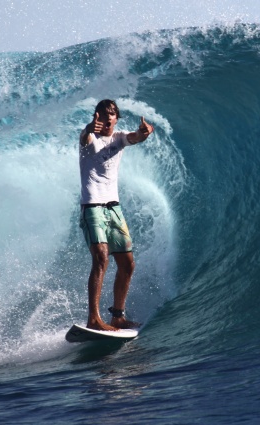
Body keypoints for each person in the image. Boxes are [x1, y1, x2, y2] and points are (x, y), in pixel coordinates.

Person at [78, 99, 154, 331]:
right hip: (93, 207)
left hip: (114, 209)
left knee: (127, 264)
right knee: (101, 257)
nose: (107, 118)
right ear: (96, 117)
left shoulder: (119, 138)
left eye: (111, 114)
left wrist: (144, 133)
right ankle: (94, 319)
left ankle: (118, 317)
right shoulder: (89, 139)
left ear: (116, 118)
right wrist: (88, 128)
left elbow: (135, 138)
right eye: (102, 114)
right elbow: (84, 136)